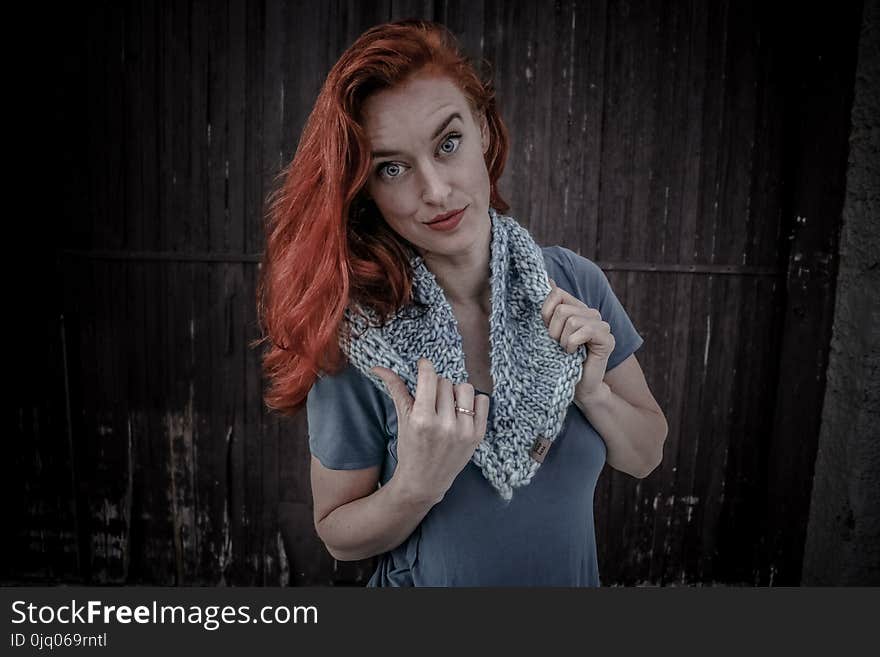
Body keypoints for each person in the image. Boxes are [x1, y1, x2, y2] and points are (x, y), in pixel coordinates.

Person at [256, 19, 668, 586]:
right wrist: (416, 486)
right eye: (392, 168)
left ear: (483, 132)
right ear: (366, 190)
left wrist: (592, 392)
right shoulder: (362, 335)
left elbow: (645, 455)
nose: (436, 190)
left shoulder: (573, 283)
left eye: (448, 143)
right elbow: (337, 536)